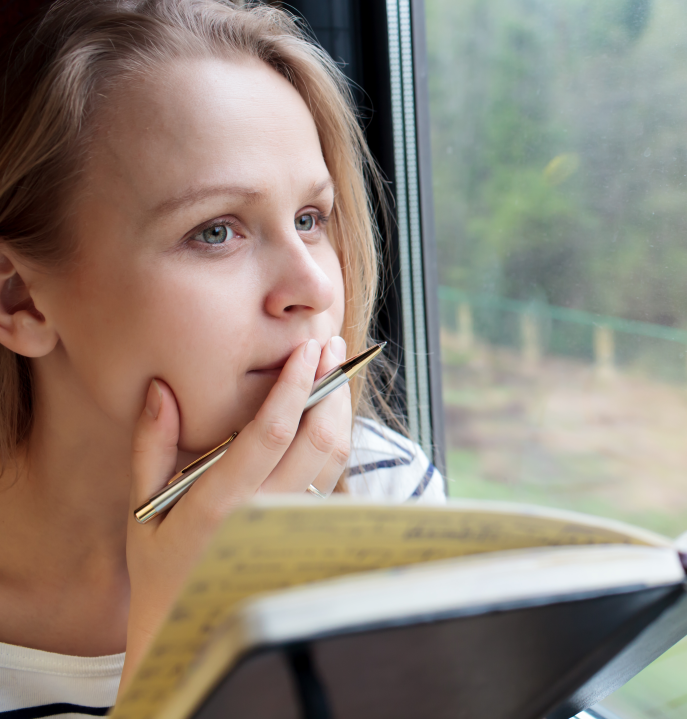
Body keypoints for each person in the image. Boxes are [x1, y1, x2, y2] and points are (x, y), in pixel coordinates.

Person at [0, 0, 444, 715]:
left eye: (310, 219)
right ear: (20, 300)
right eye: (215, 231)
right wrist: (185, 637)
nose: (314, 285)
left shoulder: (385, 492)